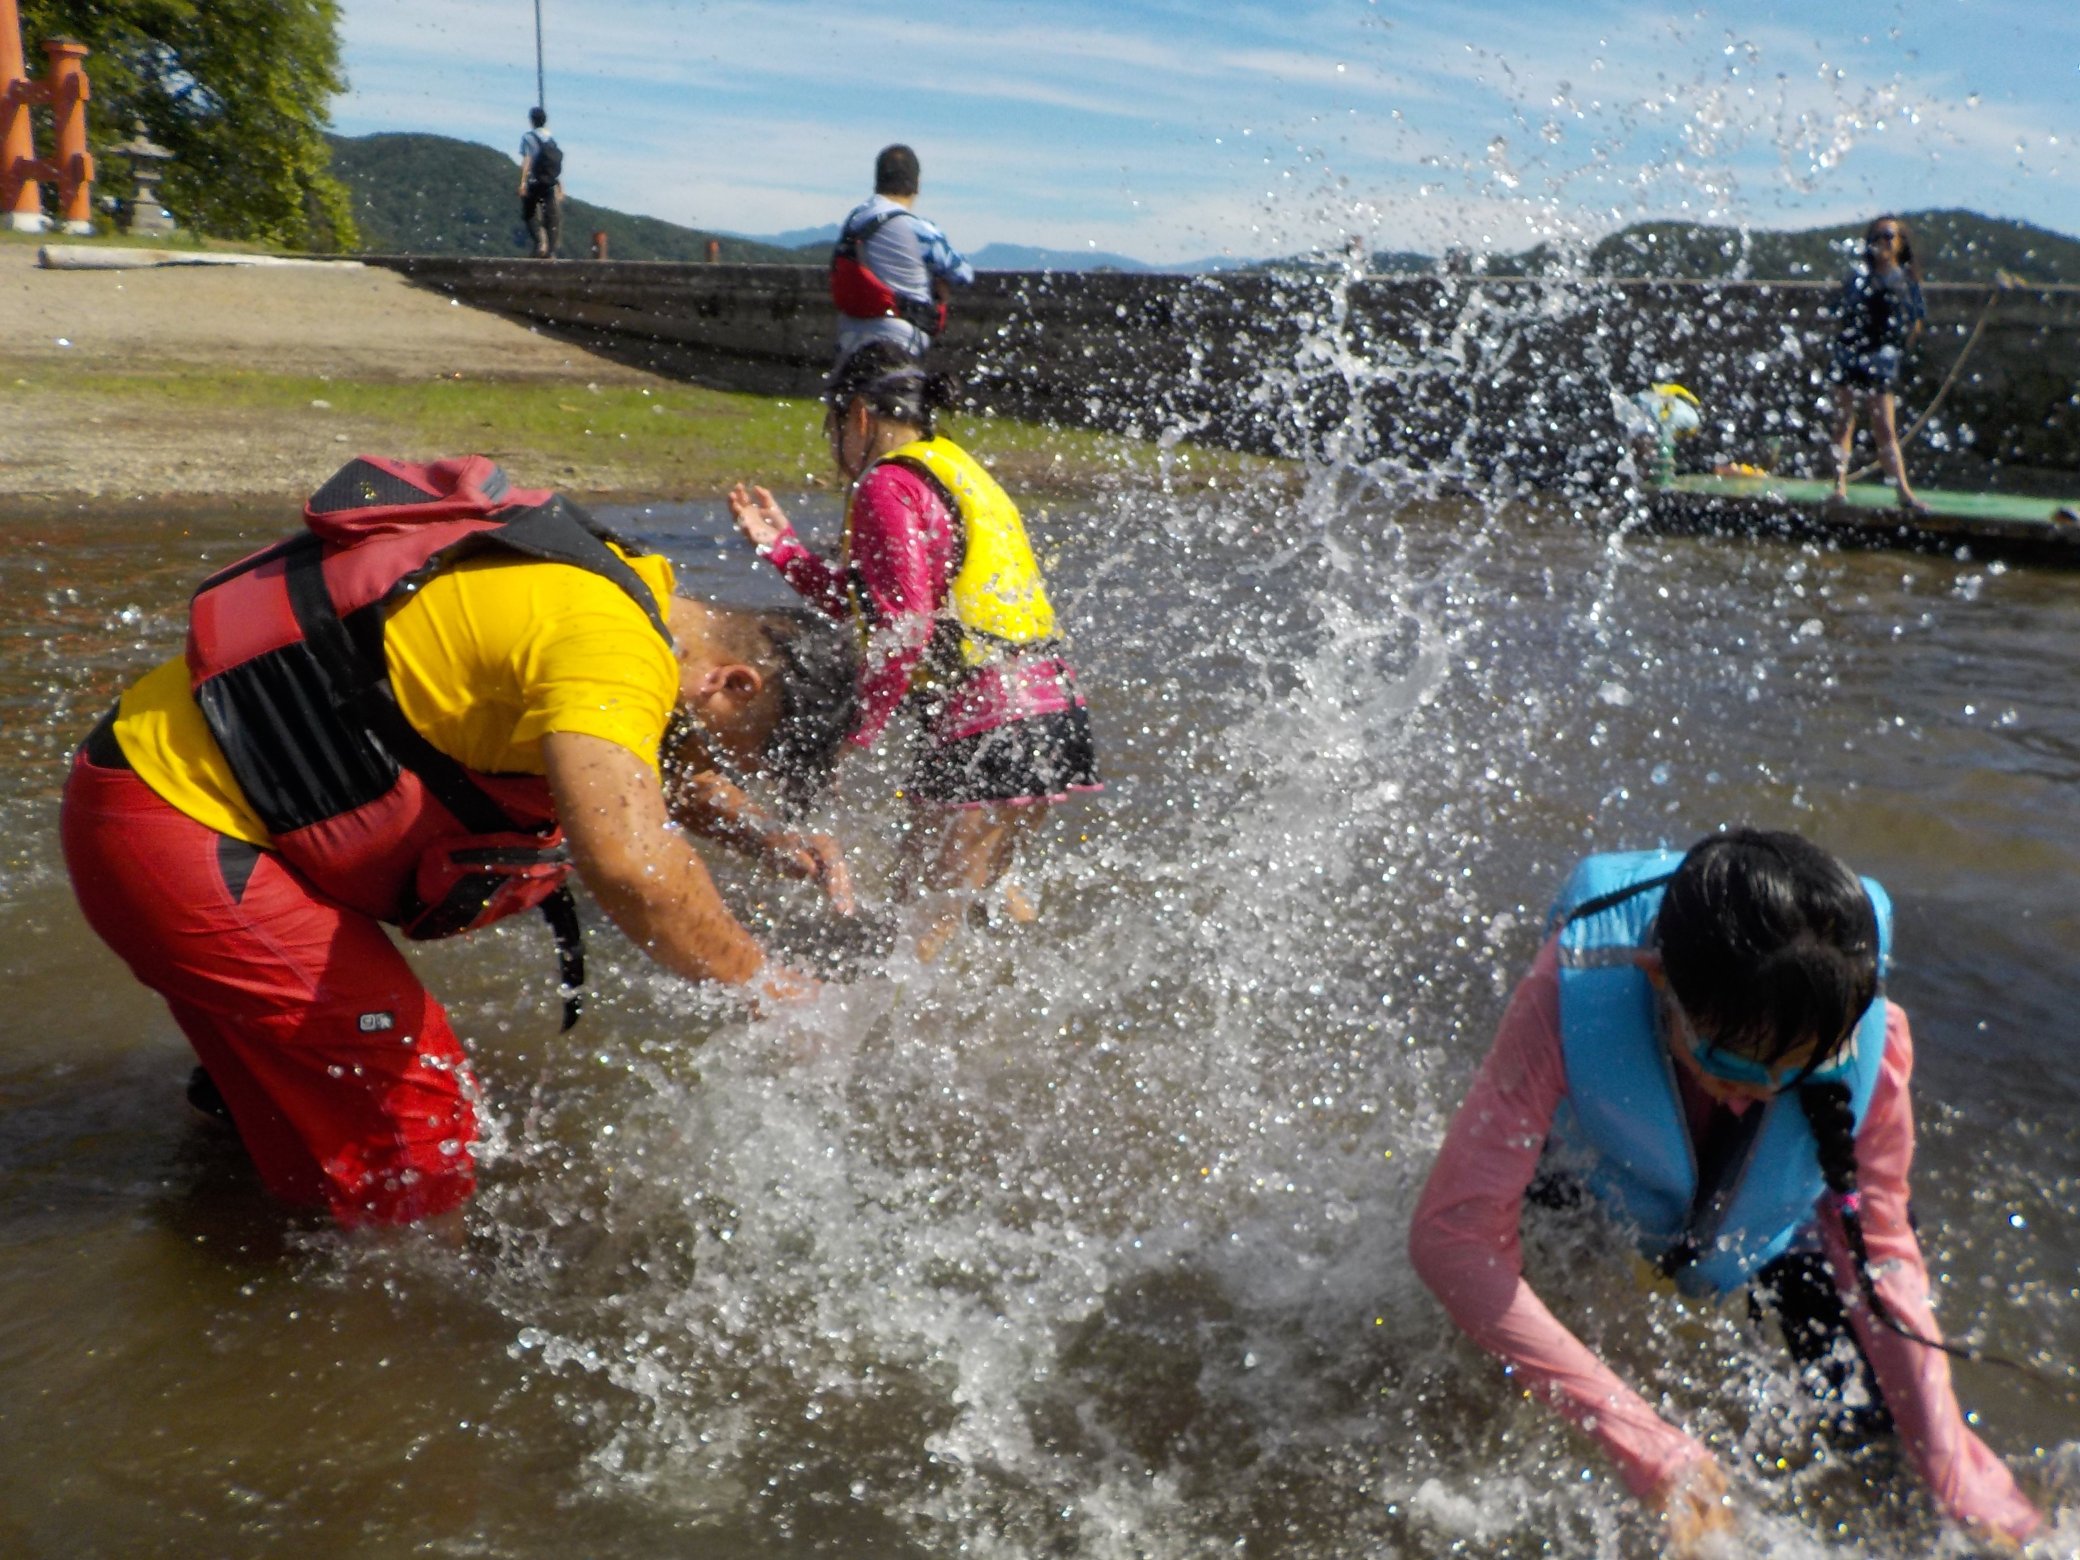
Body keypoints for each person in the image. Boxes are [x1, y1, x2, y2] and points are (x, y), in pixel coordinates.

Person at [61, 455, 858, 1231]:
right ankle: (396, 1334)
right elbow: (630, 863)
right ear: (736, 683)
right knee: (422, 1131)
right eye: (739, 750)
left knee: (289, 1143)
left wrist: (764, 838)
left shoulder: (625, 584)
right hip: (189, 836)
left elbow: (633, 758)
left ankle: (227, 1246)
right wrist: (770, 987)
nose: (719, 767)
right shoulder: (613, 651)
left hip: (144, 795)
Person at [1409, 829, 2043, 1556]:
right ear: (1655, 975)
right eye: (1732, 1064)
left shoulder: (1869, 1025)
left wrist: (1954, 1467)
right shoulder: (1567, 991)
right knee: (1487, 1397)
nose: (1757, 1098)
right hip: (1589, 1177)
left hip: (1777, 1219)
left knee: (1889, 1447)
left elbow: (1883, 1249)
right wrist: (1647, 1445)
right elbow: (1451, 1238)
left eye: (1794, 1072)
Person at [728, 346, 1099, 953]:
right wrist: (783, 549)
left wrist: (852, 734)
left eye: (834, 426)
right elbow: (871, 603)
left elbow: (905, 629)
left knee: (916, 932)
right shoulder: (954, 468)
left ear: (860, 418)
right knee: (986, 909)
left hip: (986, 730)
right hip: (1052, 714)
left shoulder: (887, 485)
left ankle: (879, 1042)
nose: (834, 446)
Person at [829, 144, 975, 362]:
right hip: (899, 340)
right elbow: (963, 275)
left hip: (850, 334)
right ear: (916, 184)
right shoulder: (920, 230)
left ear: (877, 181)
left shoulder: (856, 219)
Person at [1829, 214, 1927, 512]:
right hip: (1851, 353)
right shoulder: (1858, 277)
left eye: (1888, 236)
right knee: (1843, 422)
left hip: (1882, 359)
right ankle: (1838, 487)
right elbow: (1839, 311)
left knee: (1884, 425)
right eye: (1876, 237)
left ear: (1899, 242)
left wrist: (1897, 348)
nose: (1881, 242)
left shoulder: (1906, 279)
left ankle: (1903, 491)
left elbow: (1916, 318)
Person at [518, 106, 563, 260]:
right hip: (549, 182)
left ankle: (539, 244)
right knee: (550, 216)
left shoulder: (528, 137)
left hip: (534, 181)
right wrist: (559, 186)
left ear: (532, 121)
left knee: (529, 214)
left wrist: (523, 182)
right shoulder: (551, 139)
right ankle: (551, 251)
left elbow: (527, 160)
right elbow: (553, 165)